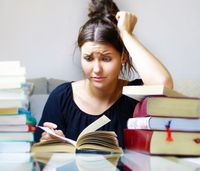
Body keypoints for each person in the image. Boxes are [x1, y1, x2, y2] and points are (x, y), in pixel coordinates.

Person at [34, 0, 173, 147]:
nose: (96, 69)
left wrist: (126, 34)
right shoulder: (61, 97)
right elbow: (39, 158)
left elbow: (164, 85)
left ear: (123, 57)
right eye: (88, 58)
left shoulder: (135, 96)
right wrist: (48, 143)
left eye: (106, 59)